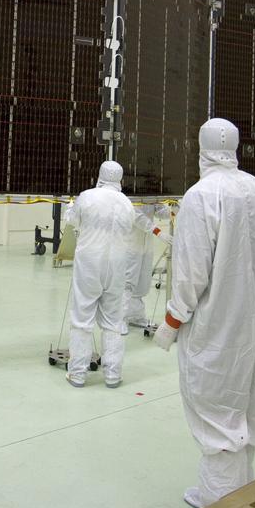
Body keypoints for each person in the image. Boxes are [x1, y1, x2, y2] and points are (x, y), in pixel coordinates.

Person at [154, 118, 255, 508]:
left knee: (216, 415)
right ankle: (232, 492)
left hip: (214, 326)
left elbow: (191, 272)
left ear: (200, 147)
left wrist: (172, 321)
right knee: (243, 407)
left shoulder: (201, 195)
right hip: (253, 323)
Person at [64, 160, 136, 388]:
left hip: (89, 265)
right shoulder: (127, 204)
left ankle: (77, 374)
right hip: (116, 266)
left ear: (100, 175)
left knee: (82, 319)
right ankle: (113, 376)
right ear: (120, 179)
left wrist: (69, 207)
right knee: (113, 322)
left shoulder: (87, 196)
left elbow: (72, 220)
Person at [124, 203, 171, 329]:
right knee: (127, 282)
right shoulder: (129, 191)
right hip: (131, 242)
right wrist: (158, 232)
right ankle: (120, 320)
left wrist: (173, 210)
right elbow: (137, 217)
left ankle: (136, 316)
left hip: (146, 244)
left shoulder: (151, 189)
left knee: (142, 282)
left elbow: (159, 210)